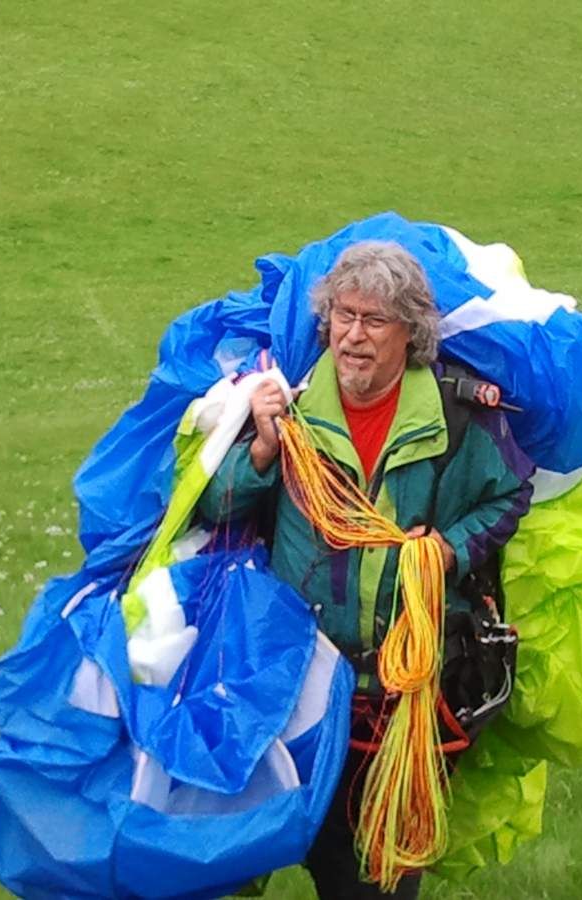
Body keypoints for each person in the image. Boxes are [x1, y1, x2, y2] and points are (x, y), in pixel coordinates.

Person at [197, 240, 535, 898]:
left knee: (375, 883)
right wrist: (261, 451)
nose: (353, 336)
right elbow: (218, 507)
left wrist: (447, 550)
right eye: (343, 316)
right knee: (244, 861)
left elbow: (509, 494)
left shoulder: (457, 419)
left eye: (375, 320)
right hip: (292, 693)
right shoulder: (290, 409)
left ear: (411, 333)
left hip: (400, 701)